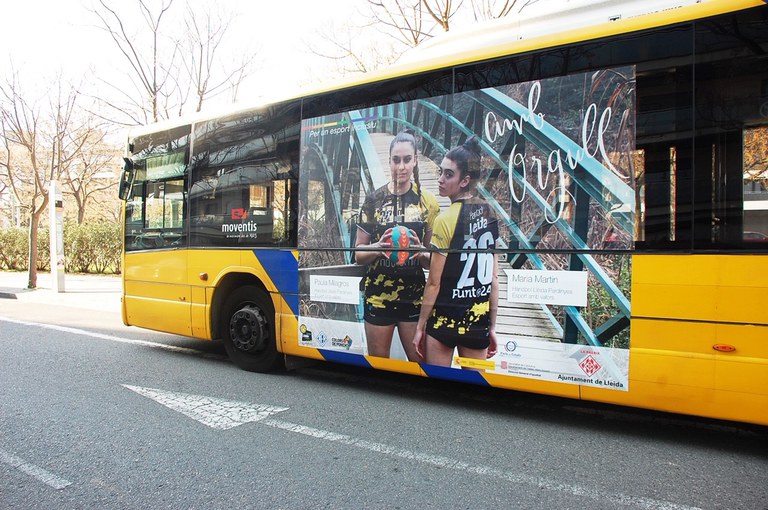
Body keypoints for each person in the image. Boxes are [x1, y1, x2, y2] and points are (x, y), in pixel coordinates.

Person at [413, 136, 499, 367]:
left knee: (438, 395)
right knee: (473, 395)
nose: (440, 179)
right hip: (477, 321)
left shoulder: (444, 220)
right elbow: (493, 278)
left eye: (448, 174)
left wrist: (420, 327)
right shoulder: (489, 214)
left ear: (465, 180)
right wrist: (492, 325)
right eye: (441, 172)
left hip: (444, 320)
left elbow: (434, 282)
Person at [355, 130, 440, 361]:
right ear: (389, 161)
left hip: (413, 296)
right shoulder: (373, 200)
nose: (401, 167)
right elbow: (358, 254)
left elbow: (433, 261)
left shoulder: (427, 202)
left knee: (420, 365)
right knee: (379, 367)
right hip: (378, 297)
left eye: (406, 160)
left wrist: (419, 251)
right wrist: (378, 247)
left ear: (415, 161)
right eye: (396, 160)